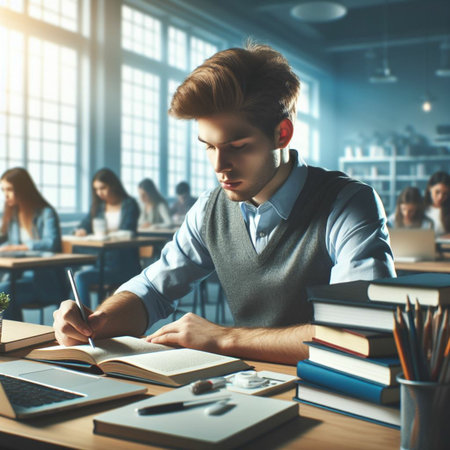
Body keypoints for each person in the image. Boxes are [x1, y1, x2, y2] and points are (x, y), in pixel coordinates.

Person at [53, 44, 395, 364]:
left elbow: (360, 333)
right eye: (209, 146)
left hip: (332, 395)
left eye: (237, 146)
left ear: (282, 134)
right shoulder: (210, 209)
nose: (219, 166)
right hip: (244, 389)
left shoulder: (348, 203)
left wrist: (224, 339)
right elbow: (153, 290)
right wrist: (96, 322)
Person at [0, 167, 66, 320]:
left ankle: (14, 337)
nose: (5, 195)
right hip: (19, 278)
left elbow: (51, 243)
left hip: (45, 281)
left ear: (22, 189)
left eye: (9, 189)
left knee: (3, 293)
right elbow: (4, 238)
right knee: (5, 291)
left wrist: (18, 247)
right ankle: (14, 336)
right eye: (3, 190)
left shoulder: (46, 213)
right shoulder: (13, 214)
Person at [73, 168, 141, 307]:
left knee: (80, 277)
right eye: (96, 189)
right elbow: (84, 225)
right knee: (74, 276)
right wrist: (80, 230)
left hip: (124, 266)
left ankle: (85, 321)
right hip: (103, 263)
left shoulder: (129, 204)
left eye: (103, 188)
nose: (99, 193)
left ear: (113, 185)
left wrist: (105, 236)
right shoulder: (99, 207)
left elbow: (128, 231)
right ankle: (81, 319)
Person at [424, 171, 450, 236]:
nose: (440, 197)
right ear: (430, 188)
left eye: (445, 194)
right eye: (437, 192)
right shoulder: (421, 207)